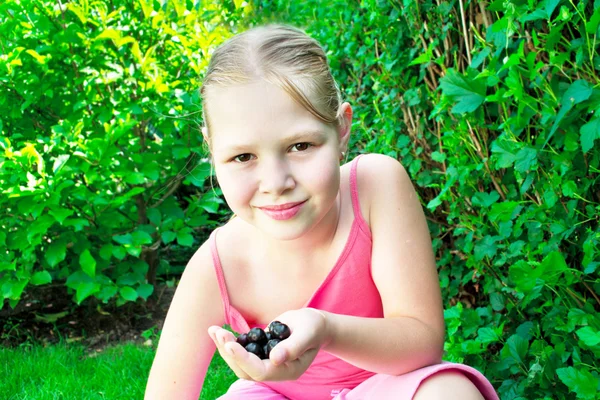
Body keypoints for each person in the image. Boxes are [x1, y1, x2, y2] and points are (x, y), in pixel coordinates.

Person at [144, 24, 499, 400]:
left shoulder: (376, 187)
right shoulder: (216, 267)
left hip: (387, 387)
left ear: (341, 129)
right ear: (212, 150)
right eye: (243, 156)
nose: (275, 182)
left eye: (300, 146)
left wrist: (327, 330)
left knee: (450, 393)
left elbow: (422, 342)